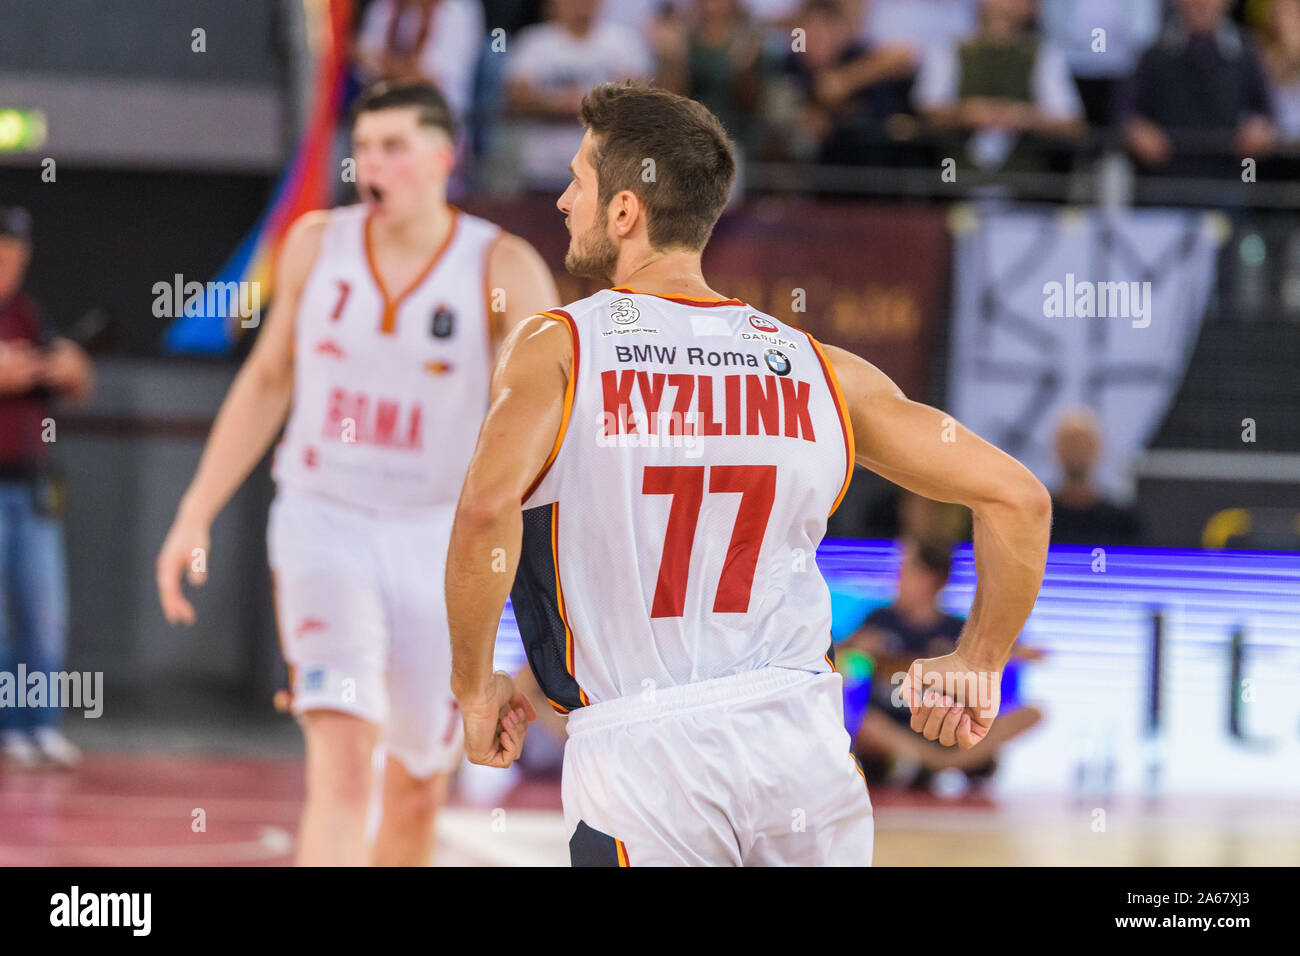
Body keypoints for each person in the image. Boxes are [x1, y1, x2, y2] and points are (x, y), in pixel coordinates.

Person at [445, 81, 1052, 866]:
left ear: (626, 211)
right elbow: (1019, 497)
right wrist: (981, 659)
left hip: (645, 750)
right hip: (800, 742)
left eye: (578, 182)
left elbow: (486, 506)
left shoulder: (561, 346)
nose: (562, 201)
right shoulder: (820, 370)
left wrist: (473, 685)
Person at [155, 81, 559, 866]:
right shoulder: (315, 244)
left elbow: (550, 422)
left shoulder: (500, 266)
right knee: (341, 763)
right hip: (323, 520)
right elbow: (269, 379)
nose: (371, 164)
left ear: (445, 156)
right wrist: (195, 510)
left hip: (437, 541)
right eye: (364, 146)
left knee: (414, 785)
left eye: (394, 147)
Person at [0, 206, 94, 769]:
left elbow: (79, 378)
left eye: (15, 258)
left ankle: (42, 723)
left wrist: (64, 366)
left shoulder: (31, 315)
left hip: (34, 487)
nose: (7, 267)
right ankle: (8, 727)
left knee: (43, 612)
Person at [845, 536, 1043, 792]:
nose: (898, 580)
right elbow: (835, 653)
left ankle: (941, 762)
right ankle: (943, 764)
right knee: (866, 721)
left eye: (907, 572)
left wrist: (1005, 652)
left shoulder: (957, 629)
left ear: (934, 580)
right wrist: (859, 647)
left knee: (1031, 713)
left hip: (945, 723)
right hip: (892, 724)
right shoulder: (880, 619)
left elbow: (1026, 653)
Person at [914, 0, 1084, 172]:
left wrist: (1026, 118)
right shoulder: (949, 49)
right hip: (955, 180)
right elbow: (926, 114)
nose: (1006, 5)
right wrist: (966, 113)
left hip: (1026, 185)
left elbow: (1072, 126)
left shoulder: (1045, 54)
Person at [502, 0, 654, 190]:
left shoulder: (624, 42)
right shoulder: (534, 41)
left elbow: (643, 99)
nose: (581, 4)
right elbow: (515, 98)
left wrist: (590, 104)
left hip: (606, 170)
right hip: (544, 167)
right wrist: (557, 104)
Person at [1121, 0, 1276, 177]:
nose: (1201, 3)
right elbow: (1125, 109)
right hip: (1164, 182)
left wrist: (1259, 129)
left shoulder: (1246, 50)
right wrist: (1136, 130)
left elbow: (1267, 113)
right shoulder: (1153, 50)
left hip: (1226, 178)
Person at [1049, 406, 1140, 545]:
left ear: (1098, 448)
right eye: (1070, 442)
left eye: (1083, 442)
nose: (1076, 449)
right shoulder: (1040, 517)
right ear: (1056, 449)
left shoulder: (1122, 521)